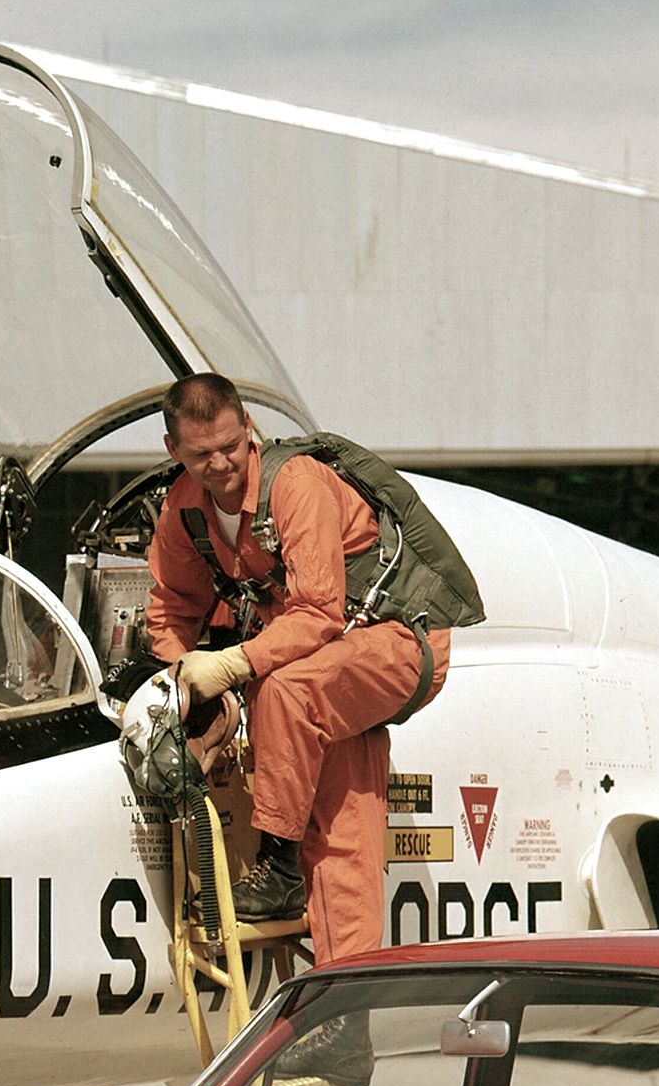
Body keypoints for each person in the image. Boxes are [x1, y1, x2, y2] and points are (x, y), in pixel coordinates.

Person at [147, 373, 450, 962]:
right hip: (330, 668)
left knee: (284, 691)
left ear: (249, 430)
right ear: (173, 451)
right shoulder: (184, 512)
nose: (220, 464)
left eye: (231, 447)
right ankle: (344, 1025)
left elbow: (316, 611)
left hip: (398, 643)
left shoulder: (297, 483)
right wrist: (182, 689)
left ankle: (277, 867)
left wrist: (232, 665)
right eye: (201, 454)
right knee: (344, 838)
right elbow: (171, 610)